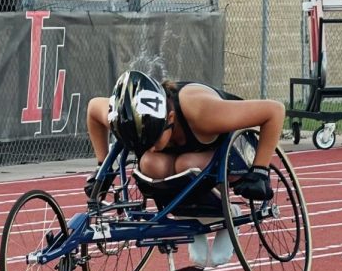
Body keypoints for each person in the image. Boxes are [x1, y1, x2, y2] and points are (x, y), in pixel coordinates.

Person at [84, 70, 285, 202]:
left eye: (153, 140)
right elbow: (94, 108)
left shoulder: (202, 111)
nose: (151, 146)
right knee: (148, 162)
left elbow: (274, 111)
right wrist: (103, 167)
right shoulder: (124, 116)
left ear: (170, 118)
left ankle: (222, 217)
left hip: (233, 146)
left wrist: (260, 171)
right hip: (189, 152)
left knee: (186, 164)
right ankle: (192, 214)